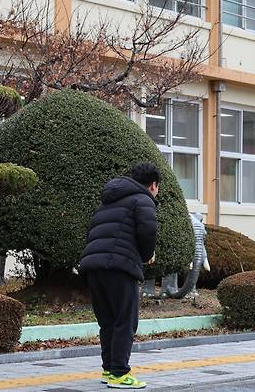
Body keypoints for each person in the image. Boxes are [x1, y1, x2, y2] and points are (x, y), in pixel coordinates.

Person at [79, 162, 160, 389]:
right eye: (157, 187)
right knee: (125, 320)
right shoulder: (143, 199)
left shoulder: (108, 201)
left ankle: (109, 369)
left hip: (94, 265)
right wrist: (146, 255)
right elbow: (148, 231)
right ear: (153, 185)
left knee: (108, 321)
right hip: (119, 266)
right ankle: (120, 373)